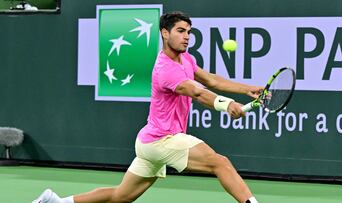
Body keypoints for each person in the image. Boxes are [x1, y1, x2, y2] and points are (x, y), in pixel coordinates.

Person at [32, 11, 263, 203]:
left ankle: (56, 201)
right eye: (180, 31)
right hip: (164, 139)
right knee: (220, 162)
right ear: (165, 33)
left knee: (119, 196)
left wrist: (246, 90)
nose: (186, 37)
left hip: (148, 141)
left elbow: (210, 80)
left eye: (189, 32)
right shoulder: (165, 70)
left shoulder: (186, 59)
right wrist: (227, 105)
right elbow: (198, 92)